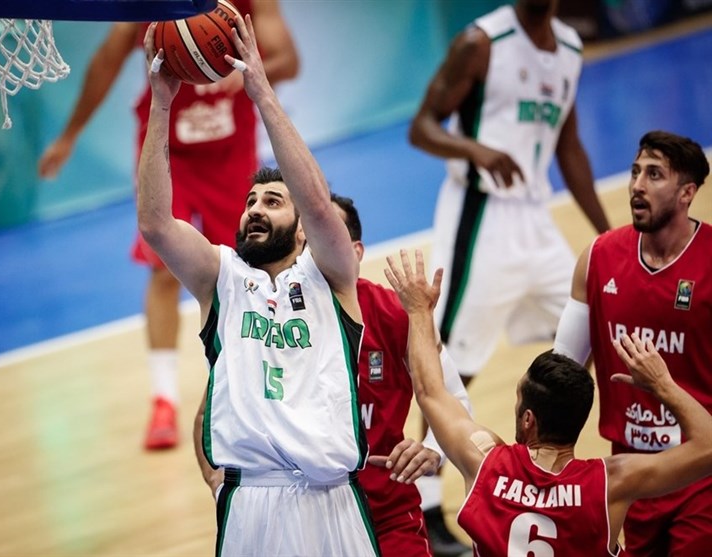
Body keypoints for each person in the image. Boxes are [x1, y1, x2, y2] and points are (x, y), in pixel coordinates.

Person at [139, 15, 378, 555]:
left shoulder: (330, 275)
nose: (255, 210)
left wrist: (261, 94)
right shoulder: (221, 277)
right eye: (251, 202)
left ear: (302, 228)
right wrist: (161, 105)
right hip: (252, 500)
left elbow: (319, 204)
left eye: (273, 202)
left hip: (334, 499)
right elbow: (155, 224)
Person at [38, 1, 298, 450]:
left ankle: (265, 382)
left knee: (250, 269)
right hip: (167, 149)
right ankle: (163, 399)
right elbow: (107, 60)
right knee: (163, 269)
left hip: (229, 151)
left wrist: (247, 73)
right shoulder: (147, 4)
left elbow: (288, 60)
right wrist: (70, 134)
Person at [407, 0, 610, 544]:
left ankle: (557, 466)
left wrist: (611, 236)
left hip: (535, 218)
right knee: (454, 360)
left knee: (599, 323)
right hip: (481, 216)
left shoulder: (570, 47)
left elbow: (569, 147)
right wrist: (475, 150)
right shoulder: (481, 42)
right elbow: (421, 127)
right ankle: (425, 503)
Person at [192, 192, 473, 556]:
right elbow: (207, 414)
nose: (317, 246)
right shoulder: (268, 319)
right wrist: (217, 482)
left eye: (329, 234)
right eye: (309, 235)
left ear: (353, 252)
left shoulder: (394, 312)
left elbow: (454, 398)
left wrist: (434, 449)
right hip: (299, 518)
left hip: (386, 517)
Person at [383, 248, 712, 556]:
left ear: (528, 419)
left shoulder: (484, 461)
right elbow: (708, 447)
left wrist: (419, 311)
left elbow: (430, 391)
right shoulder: (611, 482)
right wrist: (663, 385)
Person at [553, 130, 711, 556]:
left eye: (654, 174)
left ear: (687, 193)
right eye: (635, 172)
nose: (637, 185)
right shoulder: (598, 258)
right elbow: (562, 371)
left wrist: (663, 386)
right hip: (631, 476)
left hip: (702, 472)